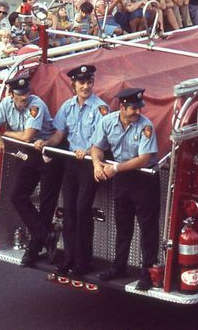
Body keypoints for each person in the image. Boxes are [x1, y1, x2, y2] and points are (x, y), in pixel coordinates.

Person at [34, 65, 108, 277]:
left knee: (82, 210)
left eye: (88, 82)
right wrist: (45, 143)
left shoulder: (100, 108)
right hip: (71, 163)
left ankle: (84, 262)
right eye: (81, 83)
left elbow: (101, 141)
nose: (85, 86)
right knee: (68, 212)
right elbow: (59, 135)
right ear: (73, 85)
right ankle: (69, 259)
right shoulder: (68, 107)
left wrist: (85, 151)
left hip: (88, 162)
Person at [0, 77, 60, 267]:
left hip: (50, 152)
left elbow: (27, 136)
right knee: (17, 196)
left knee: (46, 202)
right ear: (11, 94)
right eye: (20, 95)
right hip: (32, 154)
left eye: (26, 92)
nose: (24, 97)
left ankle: (33, 250)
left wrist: (5, 133)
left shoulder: (37, 105)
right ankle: (46, 236)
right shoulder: (6, 104)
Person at [93, 88, 160, 291]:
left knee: (147, 230)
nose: (137, 112)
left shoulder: (145, 126)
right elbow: (96, 146)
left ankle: (147, 273)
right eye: (132, 108)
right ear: (121, 107)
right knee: (122, 226)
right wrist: (96, 164)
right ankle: (119, 266)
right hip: (122, 178)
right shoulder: (108, 122)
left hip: (144, 179)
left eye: (139, 108)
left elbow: (144, 159)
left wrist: (114, 168)